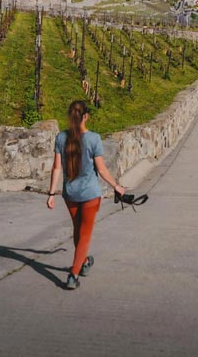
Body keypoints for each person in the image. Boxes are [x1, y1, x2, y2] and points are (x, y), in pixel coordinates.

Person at [47, 99, 125, 290]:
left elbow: (56, 167)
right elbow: (102, 169)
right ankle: (73, 274)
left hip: (69, 194)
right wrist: (116, 185)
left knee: (78, 231)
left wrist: (51, 194)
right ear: (86, 116)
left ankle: (83, 263)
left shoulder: (61, 137)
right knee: (85, 234)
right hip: (90, 193)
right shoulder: (94, 139)